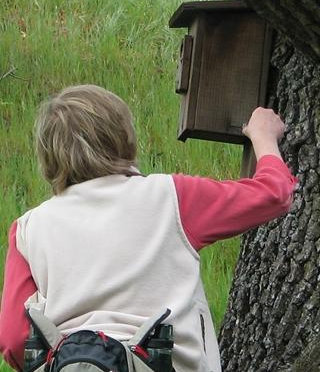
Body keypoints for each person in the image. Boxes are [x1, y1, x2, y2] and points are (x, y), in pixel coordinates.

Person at [0, 84, 297, 372]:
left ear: (47, 156)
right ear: (122, 137)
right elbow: (274, 194)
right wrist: (264, 136)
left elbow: (14, 340)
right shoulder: (171, 197)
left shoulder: (27, 228)